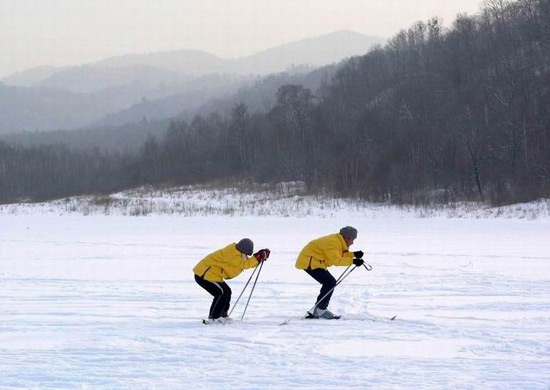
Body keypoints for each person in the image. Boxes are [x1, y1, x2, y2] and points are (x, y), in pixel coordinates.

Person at [193, 238, 270, 324]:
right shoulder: (232, 254)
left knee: (227, 291)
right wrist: (257, 258)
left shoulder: (237, 252)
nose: (247, 256)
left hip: (213, 274)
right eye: (247, 254)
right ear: (243, 250)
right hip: (203, 275)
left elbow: (246, 262)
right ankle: (214, 318)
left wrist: (258, 258)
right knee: (220, 293)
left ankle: (222, 315)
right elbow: (244, 264)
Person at [295, 226, 364, 319]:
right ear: (347, 237)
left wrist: (354, 254)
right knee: (329, 282)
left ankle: (320, 308)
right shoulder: (333, 242)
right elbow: (336, 260)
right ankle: (320, 309)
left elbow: (339, 254)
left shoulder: (338, 241)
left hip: (316, 262)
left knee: (329, 282)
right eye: (352, 239)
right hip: (309, 262)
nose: (352, 242)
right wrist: (353, 261)